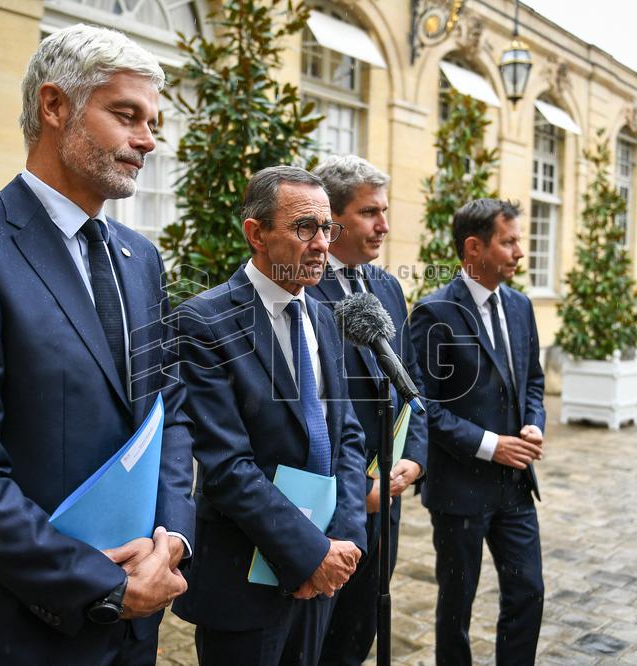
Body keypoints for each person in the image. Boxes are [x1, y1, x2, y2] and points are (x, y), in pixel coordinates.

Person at [0, 25, 194, 665]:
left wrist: (171, 541)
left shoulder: (141, 258)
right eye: (126, 115)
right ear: (54, 106)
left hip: (138, 626)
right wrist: (102, 582)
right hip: (20, 628)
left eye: (153, 121)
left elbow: (168, 412)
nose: (147, 140)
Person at [170, 166, 368, 665]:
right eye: (305, 227)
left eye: (328, 228)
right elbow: (226, 466)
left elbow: (345, 436)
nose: (322, 243)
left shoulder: (324, 316)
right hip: (244, 580)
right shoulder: (205, 321)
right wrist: (308, 554)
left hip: (325, 567)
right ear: (256, 233)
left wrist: (343, 540)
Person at [409, 199, 546, 665]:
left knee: (528, 593)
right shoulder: (433, 312)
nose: (519, 252)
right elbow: (424, 406)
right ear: (474, 247)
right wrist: (490, 446)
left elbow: (533, 381)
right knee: (456, 608)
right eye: (509, 242)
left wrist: (533, 424)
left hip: (515, 486)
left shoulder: (522, 306)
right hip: (459, 490)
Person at [305, 156, 427, 665]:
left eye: (384, 211)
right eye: (369, 212)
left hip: (389, 499)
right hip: (330, 507)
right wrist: (358, 490)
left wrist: (415, 460)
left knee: (359, 636)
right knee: (318, 643)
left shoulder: (388, 287)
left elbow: (413, 384)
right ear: (332, 220)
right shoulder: (302, 283)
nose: (384, 225)